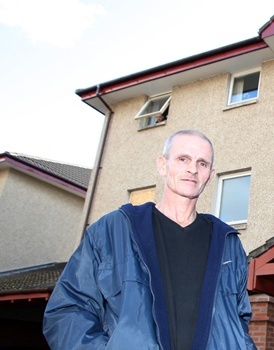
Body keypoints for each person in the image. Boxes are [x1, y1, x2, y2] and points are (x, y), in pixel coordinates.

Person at [43, 130, 257, 350]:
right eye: (183, 159)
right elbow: (68, 310)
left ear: (210, 176)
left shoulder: (228, 244)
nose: (192, 169)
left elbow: (239, 325)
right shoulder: (113, 230)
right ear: (162, 165)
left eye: (202, 163)